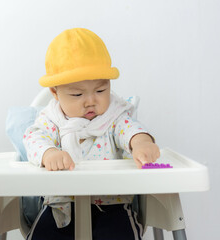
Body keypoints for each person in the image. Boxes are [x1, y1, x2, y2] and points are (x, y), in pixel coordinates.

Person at [23, 28, 160, 240]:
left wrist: (141, 143)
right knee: (44, 234)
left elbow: (130, 129)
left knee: (119, 234)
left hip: (112, 203)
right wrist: (48, 153)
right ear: (55, 92)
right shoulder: (52, 119)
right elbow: (34, 138)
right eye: (77, 94)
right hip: (61, 205)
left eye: (100, 91)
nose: (91, 101)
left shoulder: (114, 116)